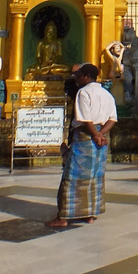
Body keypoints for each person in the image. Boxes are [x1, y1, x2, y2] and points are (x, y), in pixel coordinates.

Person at [47, 63, 117, 228]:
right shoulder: (107, 94)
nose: (76, 79)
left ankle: (63, 216)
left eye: (78, 76)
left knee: (72, 178)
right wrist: (101, 134)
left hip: (86, 137)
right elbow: (112, 118)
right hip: (101, 138)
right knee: (94, 177)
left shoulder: (83, 93)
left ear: (86, 76)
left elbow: (85, 119)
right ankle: (89, 214)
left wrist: (95, 134)